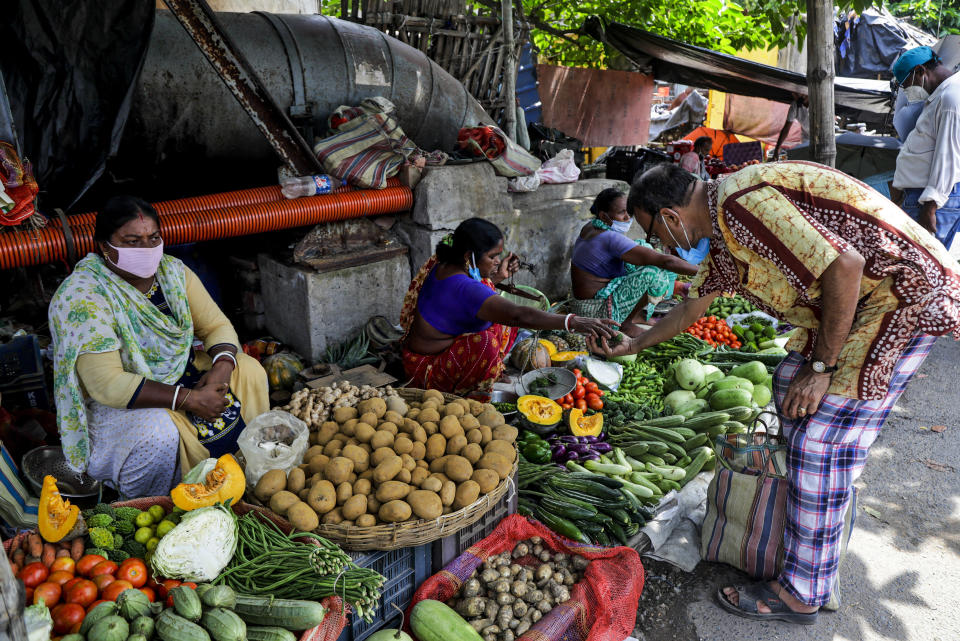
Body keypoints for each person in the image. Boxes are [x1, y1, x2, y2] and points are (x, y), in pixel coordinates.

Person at [592, 162, 960, 624]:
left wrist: (823, 368)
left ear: (669, 216)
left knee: (820, 444)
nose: (658, 246)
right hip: (859, 300)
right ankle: (806, 538)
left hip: (898, 297)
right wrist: (634, 343)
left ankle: (802, 592)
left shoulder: (741, 202)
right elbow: (692, 306)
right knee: (788, 383)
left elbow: (845, 266)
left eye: (653, 233)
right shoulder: (725, 226)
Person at [49, 196, 269, 499]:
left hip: (182, 375)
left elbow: (216, 325)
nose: (147, 249)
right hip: (118, 404)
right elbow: (107, 384)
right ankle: (151, 502)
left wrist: (220, 372)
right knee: (157, 433)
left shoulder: (173, 273)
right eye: (132, 241)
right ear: (103, 246)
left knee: (249, 370)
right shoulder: (82, 297)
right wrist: (190, 399)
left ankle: (250, 470)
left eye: (153, 238)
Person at [401, 218, 616, 398]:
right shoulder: (464, 287)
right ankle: (470, 397)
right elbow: (518, 315)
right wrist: (573, 321)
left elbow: (483, 297)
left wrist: (497, 276)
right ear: (469, 256)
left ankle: (487, 370)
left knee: (499, 312)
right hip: (427, 370)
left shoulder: (447, 260)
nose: (497, 261)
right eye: (492, 257)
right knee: (486, 342)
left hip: (433, 347)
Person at [570, 188, 698, 337]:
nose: (627, 217)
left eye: (629, 211)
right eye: (622, 213)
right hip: (595, 312)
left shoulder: (592, 226)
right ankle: (625, 324)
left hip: (582, 304)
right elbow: (667, 262)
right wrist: (704, 271)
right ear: (604, 216)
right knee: (653, 273)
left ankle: (635, 315)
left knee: (643, 248)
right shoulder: (609, 239)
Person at [891, 46, 960, 258]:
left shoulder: (950, 98)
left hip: (931, 198)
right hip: (921, 195)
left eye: (907, 84)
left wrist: (930, 207)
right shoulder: (942, 95)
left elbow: (948, 156)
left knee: (921, 267)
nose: (907, 91)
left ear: (921, 71)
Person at [772, 93, 809, 160]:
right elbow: (786, 129)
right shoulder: (795, 106)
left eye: (800, 93)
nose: (799, 96)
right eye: (795, 94)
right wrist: (777, 150)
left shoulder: (817, 104)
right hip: (807, 140)